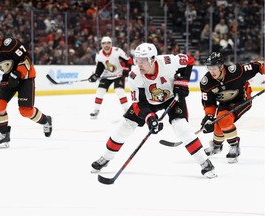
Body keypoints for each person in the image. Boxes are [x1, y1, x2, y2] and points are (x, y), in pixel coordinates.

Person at [91, 43, 217, 178]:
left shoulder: (168, 62)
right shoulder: (134, 75)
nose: (139, 64)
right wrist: (150, 118)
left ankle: (205, 162)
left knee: (181, 127)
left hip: (171, 98)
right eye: (137, 60)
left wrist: (183, 82)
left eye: (143, 61)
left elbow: (189, 60)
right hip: (148, 102)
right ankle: (106, 157)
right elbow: (139, 104)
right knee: (125, 126)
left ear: (152, 59)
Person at [0, 24, 52, 148]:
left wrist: (17, 74)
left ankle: (46, 120)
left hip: (26, 76)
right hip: (9, 77)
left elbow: (27, 59)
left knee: (25, 111)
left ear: (0, 35)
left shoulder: (10, 44)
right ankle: (4, 135)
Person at [200, 52, 265, 163]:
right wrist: (209, 116)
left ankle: (234, 145)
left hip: (242, 99)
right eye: (209, 68)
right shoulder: (206, 82)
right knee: (217, 123)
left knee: (223, 119)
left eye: (214, 67)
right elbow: (209, 103)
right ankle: (216, 146)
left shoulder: (236, 71)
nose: (212, 71)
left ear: (221, 66)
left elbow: (259, 65)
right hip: (225, 103)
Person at [88, 36, 133, 119]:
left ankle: (127, 111)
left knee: (119, 91)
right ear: (101, 45)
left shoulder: (117, 51)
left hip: (119, 75)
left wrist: (127, 70)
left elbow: (129, 60)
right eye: (104, 43)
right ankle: (96, 110)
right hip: (106, 76)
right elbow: (100, 68)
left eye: (108, 43)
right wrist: (96, 76)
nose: (106, 45)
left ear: (111, 44)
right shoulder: (99, 55)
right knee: (100, 91)